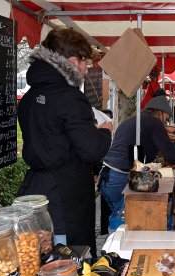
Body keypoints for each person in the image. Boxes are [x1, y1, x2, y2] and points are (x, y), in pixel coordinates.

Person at [17, 28, 113, 257]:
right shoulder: (69, 97)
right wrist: (105, 131)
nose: (86, 68)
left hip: (36, 191)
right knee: (70, 263)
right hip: (66, 198)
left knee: (42, 260)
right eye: (84, 62)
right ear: (72, 61)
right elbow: (93, 149)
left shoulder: (30, 97)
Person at [99, 95, 175, 218]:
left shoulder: (135, 120)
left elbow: (135, 155)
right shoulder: (154, 123)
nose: (165, 122)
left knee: (122, 220)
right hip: (119, 177)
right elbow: (171, 155)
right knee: (125, 221)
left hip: (108, 175)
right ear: (161, 113)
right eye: (166, 119)